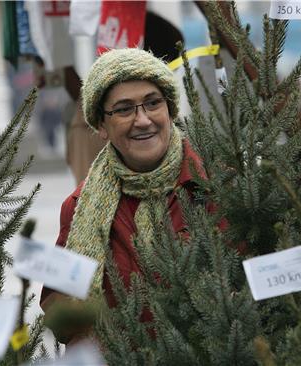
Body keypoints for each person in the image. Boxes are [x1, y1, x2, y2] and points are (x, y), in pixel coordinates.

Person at [40, 48, 210, 344]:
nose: (142, 120)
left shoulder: (213, 185)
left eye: (153, 103)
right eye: (123, 109)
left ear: (169, 110)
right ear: (102, 126)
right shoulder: (79, 207)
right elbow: (61, 315)